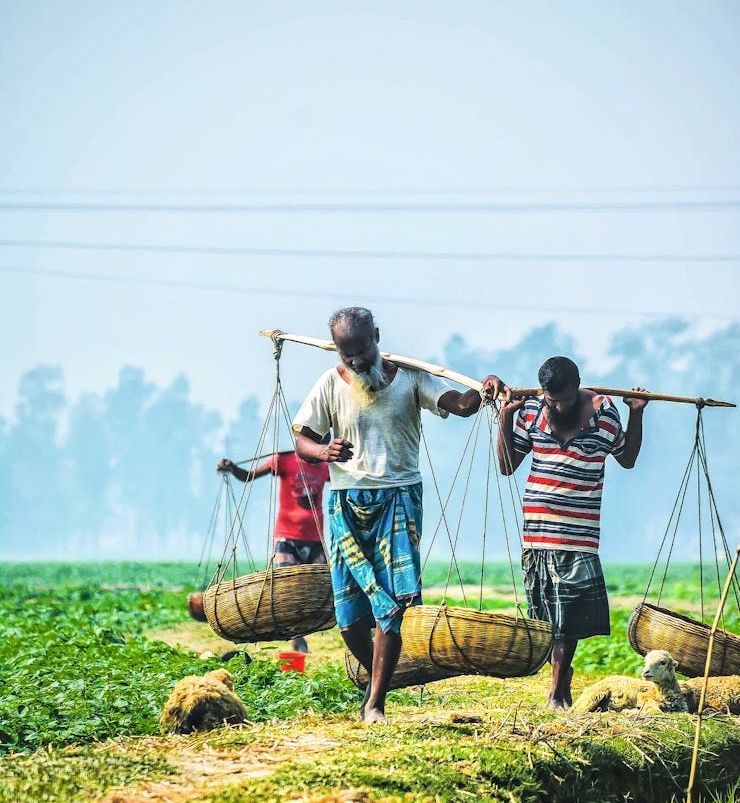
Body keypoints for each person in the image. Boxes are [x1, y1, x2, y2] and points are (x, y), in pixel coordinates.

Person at [292, 306, 501, 724]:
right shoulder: (330, 385)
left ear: (377, 337)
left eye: (362, 349)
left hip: (398, 500)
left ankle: (375, 703)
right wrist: (324, 451)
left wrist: (485, 388)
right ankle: (383, 677)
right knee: (350, 620)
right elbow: (302, 438)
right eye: (346, 353)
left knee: (393, 606)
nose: (356, 361)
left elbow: (460, 405)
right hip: (347, 503)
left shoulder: (410, 377)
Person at [497, 355, 647, 710]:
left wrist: (637, 413)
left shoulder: (605, 413)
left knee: (570, 616)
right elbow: (506, 465)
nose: (558, 406)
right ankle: (561, 681)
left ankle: (556, 691)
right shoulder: (531, 411)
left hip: (578, 532)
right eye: (552, 400)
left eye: (564, 399)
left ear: (577, 387)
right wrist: (505, 417)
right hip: (536, 531)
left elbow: (627, 458)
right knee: (547, 617)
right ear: (543, 392)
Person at [217, 450, 330, 653]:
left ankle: (309, 629)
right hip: (286, 537)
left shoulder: (326, 466)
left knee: (318, 588)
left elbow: (349, 476)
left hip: (315, 538)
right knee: (288, 588)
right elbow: (249, 476)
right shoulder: (283, 460)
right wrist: (232, 468)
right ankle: (297, 638)